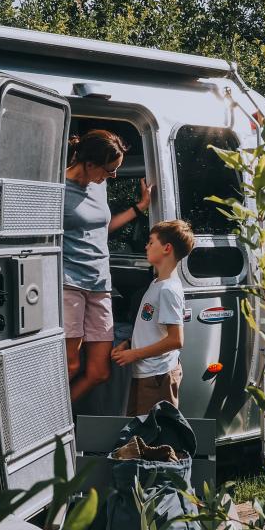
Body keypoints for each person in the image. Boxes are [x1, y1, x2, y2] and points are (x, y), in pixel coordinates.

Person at [63, 129, 153, 402]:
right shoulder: (58, 189)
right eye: (110, 169)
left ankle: (52, 417)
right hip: (69, 283)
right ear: (90, 164)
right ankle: (44, 420)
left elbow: (102, 228)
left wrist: (139, 208)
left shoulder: (98, 185)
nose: (113, 176)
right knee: (70, 365)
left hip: (100, 283)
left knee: (99, 371)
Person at [112, 219, 195, 416]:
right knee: (138, 426)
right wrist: (129, 343)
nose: (146, 246)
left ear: (167, 248)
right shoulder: (157, 283)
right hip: (147, 372)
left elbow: (176, 340)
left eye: (151, 242)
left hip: (158, 377)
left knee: (155, 430)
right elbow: (154, 330)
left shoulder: (168, 290)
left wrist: (135, 354)